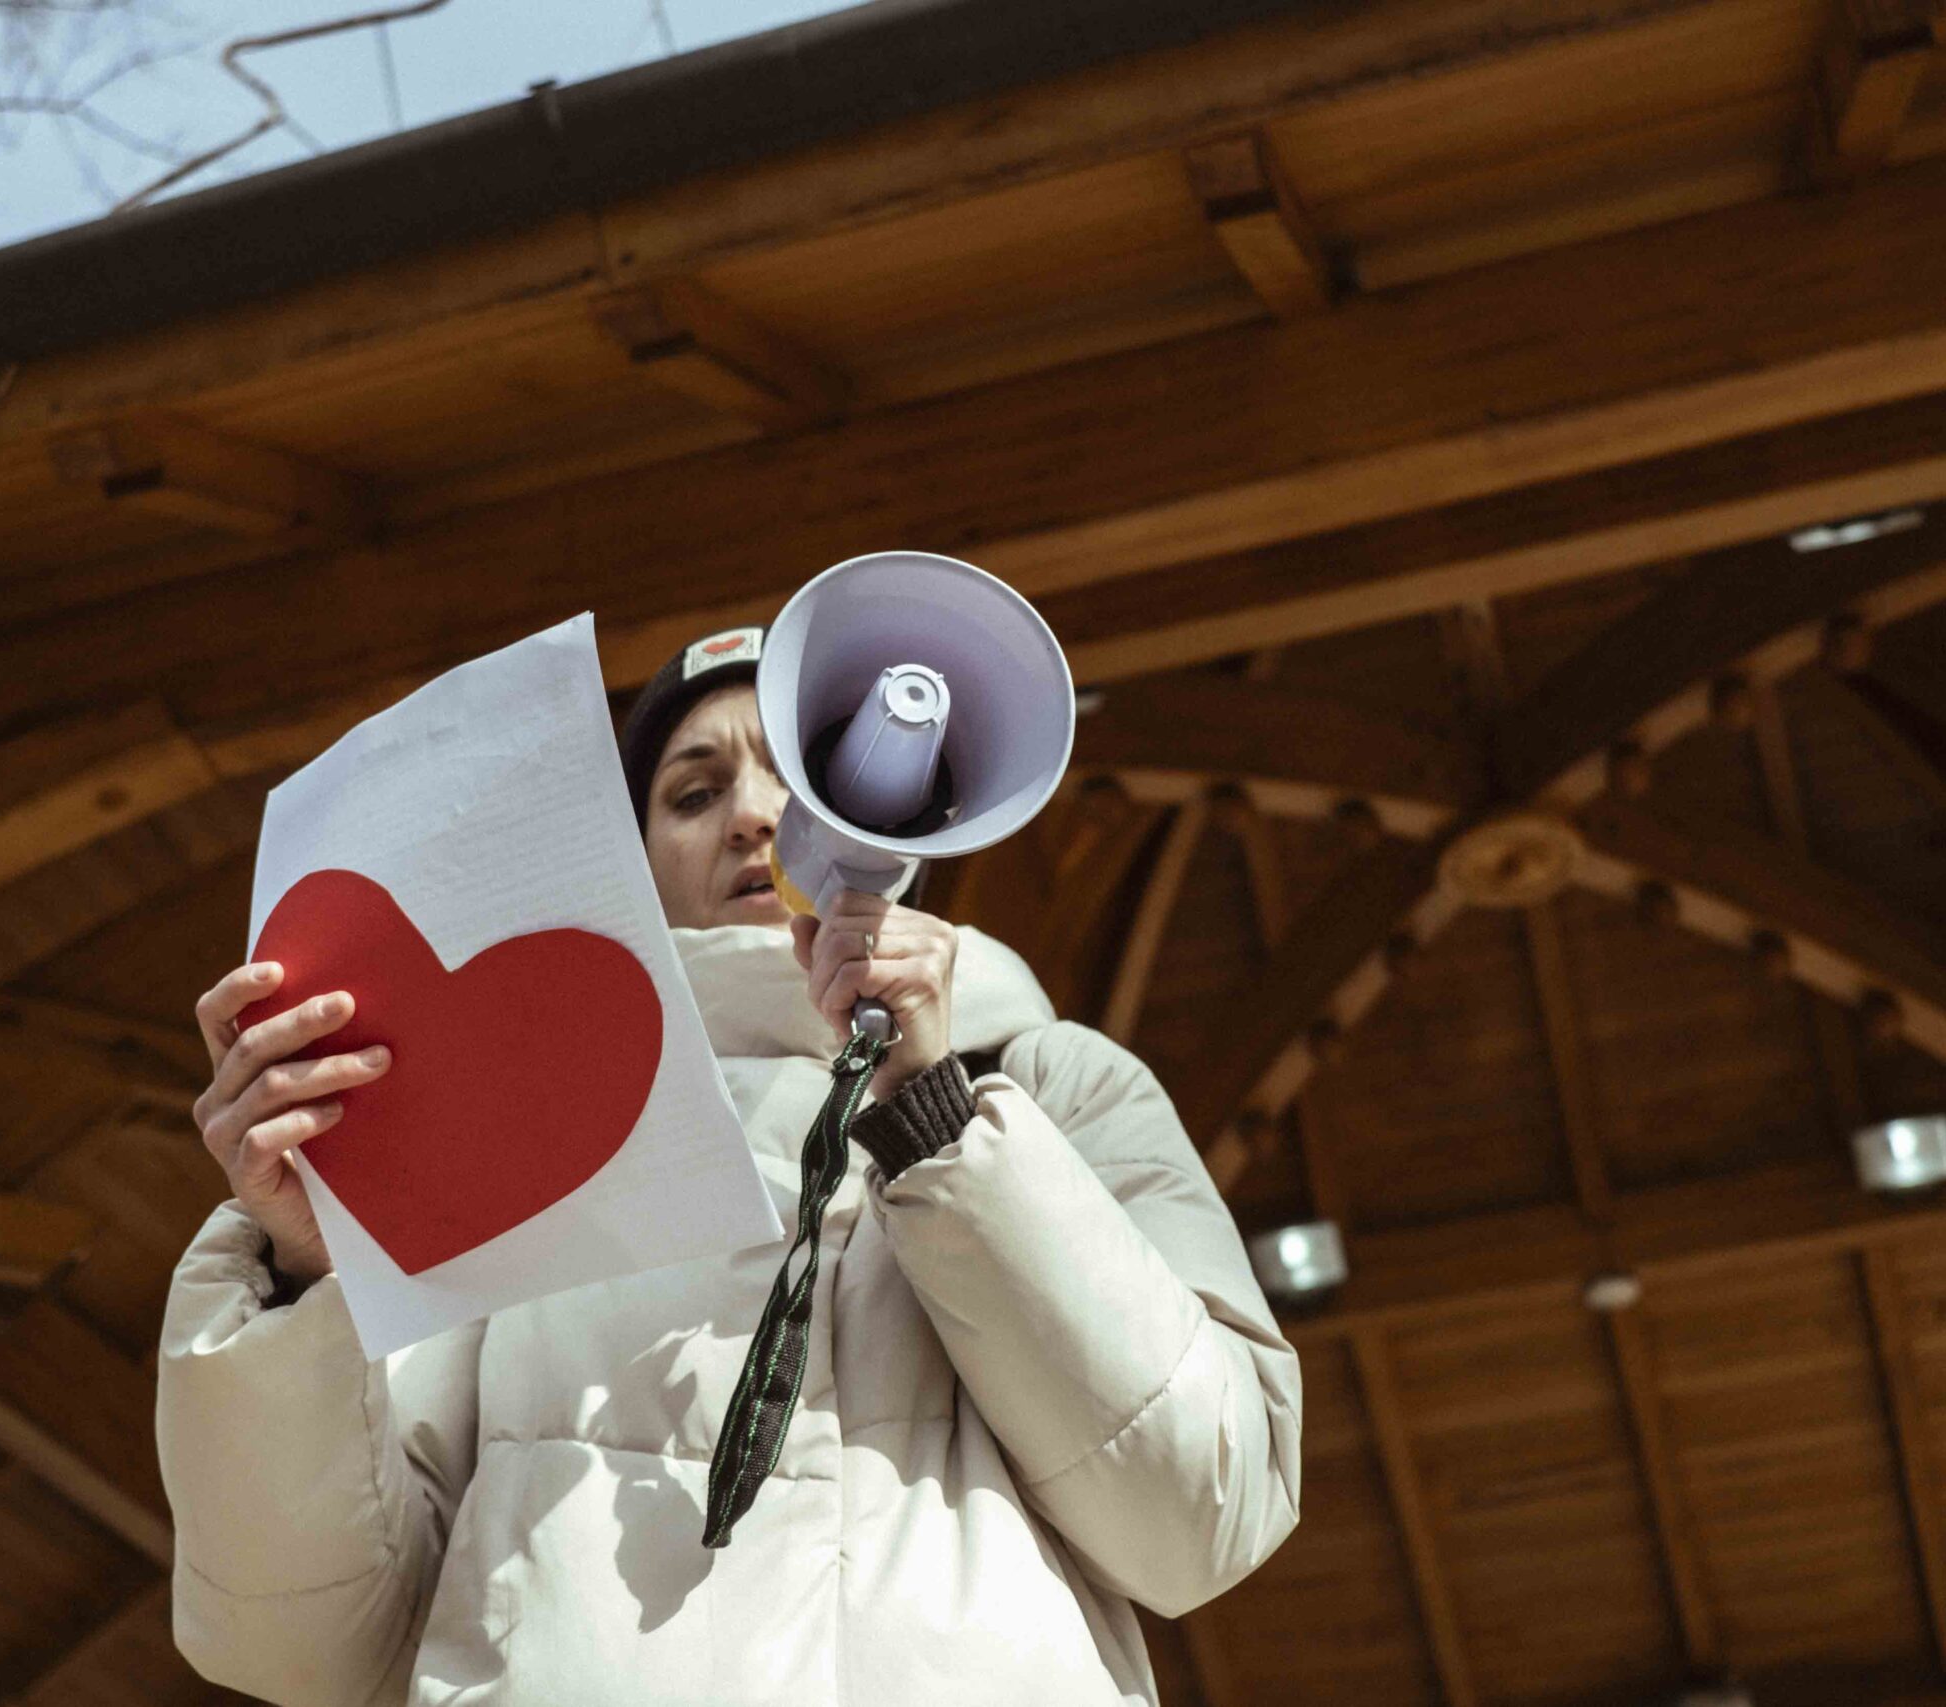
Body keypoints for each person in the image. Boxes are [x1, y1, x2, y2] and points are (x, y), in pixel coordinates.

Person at [156, 624, 1302, 1707]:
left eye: (805, 779)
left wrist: (936, 1119)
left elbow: (1200, 1516)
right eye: (694, 793)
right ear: (632, 870)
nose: (754, 819)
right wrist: (309, 1272)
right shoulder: (515, 1144)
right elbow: (303, 1645)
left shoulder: (1058, 1090)